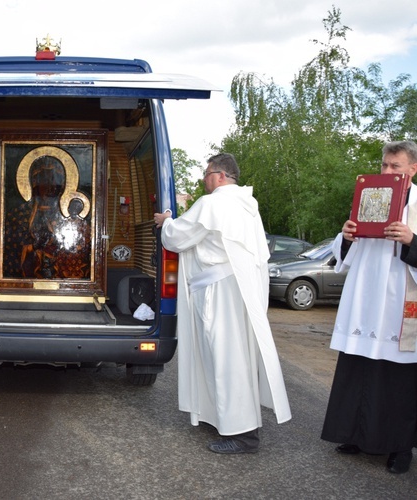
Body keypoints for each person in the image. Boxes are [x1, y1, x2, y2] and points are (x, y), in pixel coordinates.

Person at [154, 153, 291, 454]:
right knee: (225, 357)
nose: (204, 179)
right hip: (238, 290)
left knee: (226, 360)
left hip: (218, 292)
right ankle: (220, 418)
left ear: (219, 175)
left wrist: (167, 220)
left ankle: (243, 434)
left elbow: (177, 238)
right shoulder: (248, 206)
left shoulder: (213, 204)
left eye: (206, 174)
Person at [321, 140, 417, 474]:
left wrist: (411, 241)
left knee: (398, 381)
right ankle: (355, 435)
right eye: (385, 165)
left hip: (399, 304)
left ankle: (399, 449)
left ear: (412, 169)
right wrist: (347, 236)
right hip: (365, 300)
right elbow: (342, 256)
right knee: (358, 371)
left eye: (396, 166)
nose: (388, 172)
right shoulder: (370, 198)